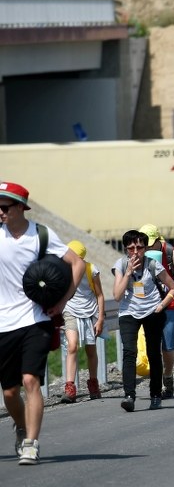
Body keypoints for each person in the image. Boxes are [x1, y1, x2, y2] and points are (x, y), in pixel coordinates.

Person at [0, 182, 84, 465]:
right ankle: (21, 426)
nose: (0, 212)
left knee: (30, 380)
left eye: (4, 207)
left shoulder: (41, 235)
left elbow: (77, 264)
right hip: (3, 323)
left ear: (21, 208)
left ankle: (31, 443)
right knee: (10, 391)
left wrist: (62, 303)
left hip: (35, 319)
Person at [113, 229, 174, 412]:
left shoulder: (153, 265)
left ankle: (156, 394)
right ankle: (129, 395)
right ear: (126, 249)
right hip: (128, 312)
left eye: (140, 248)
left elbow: (173, 288)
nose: (136, 252)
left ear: (145, 248)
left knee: (153, 352)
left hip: (152, 311)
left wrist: (162, 305)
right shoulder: (120, 264)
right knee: (129, 352)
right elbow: (117, 296)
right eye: (131, 248)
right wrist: (128, 273)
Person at [138, 223, 174, 399]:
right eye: (145, 244)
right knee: (153, 345)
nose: (148, 247)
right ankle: (157, 382)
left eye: (150, 243)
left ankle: (168, 375)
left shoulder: (170, 251)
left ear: (158, 240)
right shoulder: (140, 253)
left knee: (167, 344)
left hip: (170, 303)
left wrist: (168, 286)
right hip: (148, 304)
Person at [60, 240, 105, 403]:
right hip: (70, 310)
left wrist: (100, 318)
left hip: (90, 312)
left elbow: (100, 295)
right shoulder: (62, 269)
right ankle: (70, 387)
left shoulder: (91, 269)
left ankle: (93, 384)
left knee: (90, 350)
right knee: (72, 346)